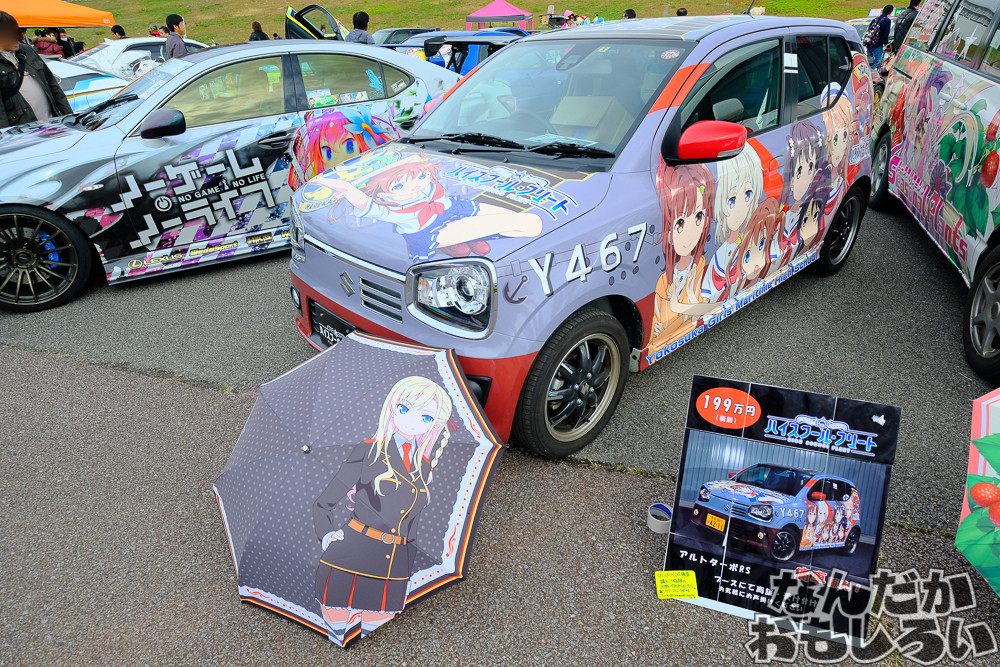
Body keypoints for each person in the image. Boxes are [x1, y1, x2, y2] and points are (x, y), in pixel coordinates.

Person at [0, 11, 72, 128]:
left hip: (54, 125)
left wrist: (69, 118)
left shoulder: (27, 50)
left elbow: (54, 87)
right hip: (25, 133)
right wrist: (7, 137)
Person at [866, 5, 893, 70]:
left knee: (869, 62)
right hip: (878, 44)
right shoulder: (887, 21)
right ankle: (871, 73)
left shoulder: (875, 19)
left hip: (869, 43)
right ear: (890, 13)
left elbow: (869, 30)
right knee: (876, 62)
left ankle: (867, 72)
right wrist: (886, 44)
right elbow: (886, 34)